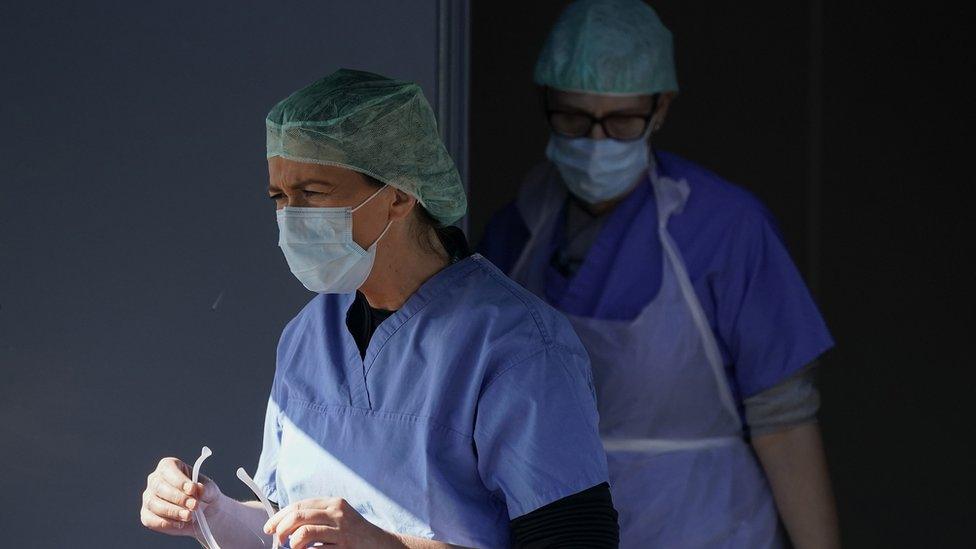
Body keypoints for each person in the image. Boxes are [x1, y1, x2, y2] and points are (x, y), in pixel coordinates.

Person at [139, 69, 619, 548]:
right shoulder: (311, 333)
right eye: (280, 197)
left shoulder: (518, 346)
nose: (291, 217)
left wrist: (388, 546)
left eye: (312, 194)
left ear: (398, 193)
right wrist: (210, 511)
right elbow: (287, 524)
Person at [479, 1, 841, 547]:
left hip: (705, 529)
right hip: (558, 531)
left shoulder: (724, 229)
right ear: (546, 103)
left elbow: (784, 423)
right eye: (574, 119)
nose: (596, 142)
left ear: (661, 108)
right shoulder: (517, 230)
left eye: (622, 121)